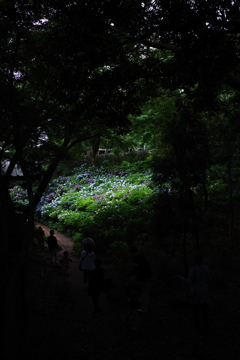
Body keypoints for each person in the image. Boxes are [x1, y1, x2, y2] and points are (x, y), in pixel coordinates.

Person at [176, 253, 211, 330]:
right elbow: (209, 279)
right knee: (204, 309)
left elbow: (189, 281)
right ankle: (206, 324)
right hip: (204, 290)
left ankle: (197, 326)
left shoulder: (193, 269)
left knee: (195, 309)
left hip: (196, 291)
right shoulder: (206, 268)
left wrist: (180, 278)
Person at [129, 246, 151, 313]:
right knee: (145, 292)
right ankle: (146, 307)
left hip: (140, 278)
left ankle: (144, 308)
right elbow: (148, 267)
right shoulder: (143, 257)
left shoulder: (135, 260)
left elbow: (136, 271)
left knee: (141, 293)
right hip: (146, 277)